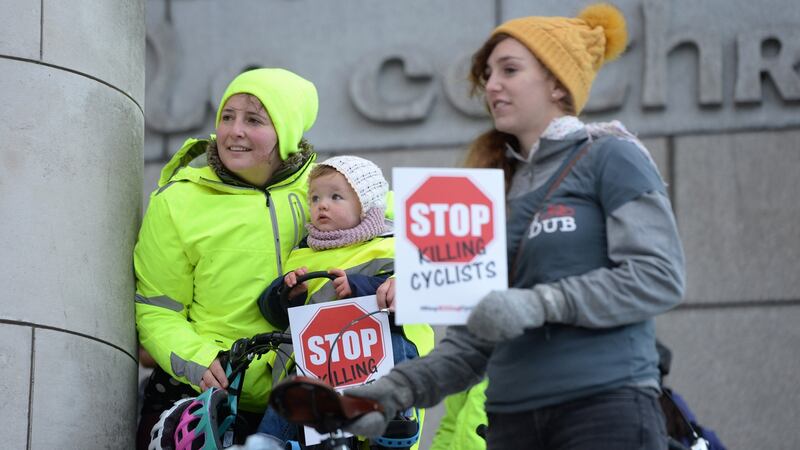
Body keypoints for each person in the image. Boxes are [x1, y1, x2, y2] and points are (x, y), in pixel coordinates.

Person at [344, 3, 686, 450]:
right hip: (507, 421)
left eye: (509, 69)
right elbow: (473, 338)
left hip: (603, 407)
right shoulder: (488, 190)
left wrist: (541, 303)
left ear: (558, 85)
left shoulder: (611, 156)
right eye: (487, 73)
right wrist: (394, 391)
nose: (492, 85)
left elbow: (659, 277)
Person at [134, 67, 319, 448]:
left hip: (309, 400)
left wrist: (397, 283)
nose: (234, 131)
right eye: (227, 117)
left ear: (287, 131)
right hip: (207, 401)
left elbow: (394, 250)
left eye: (254, 119)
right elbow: (157, 310)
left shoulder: (334, 187)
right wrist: (200, 360)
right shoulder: (176, 201)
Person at [255, 155, 435, 447]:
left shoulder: (391, 244)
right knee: (282, 415)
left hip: (374, 358)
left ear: (365, 206)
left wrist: (358, 287)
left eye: (335, 197)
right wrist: (285, 295)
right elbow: (274, 314)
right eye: (314, 198)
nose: (321, 205)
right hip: (315, 366)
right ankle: (268, 440)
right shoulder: (301, 254)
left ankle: (396, 419)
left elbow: (412, 290)